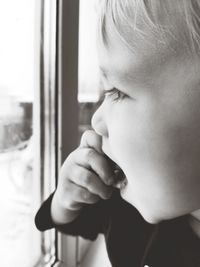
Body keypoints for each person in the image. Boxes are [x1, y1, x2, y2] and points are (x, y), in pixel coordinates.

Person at [35, 1, 200, 266]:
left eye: (118, 92)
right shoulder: (127, 203)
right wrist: (66, 198)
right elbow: (70, 221)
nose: (96, 120)